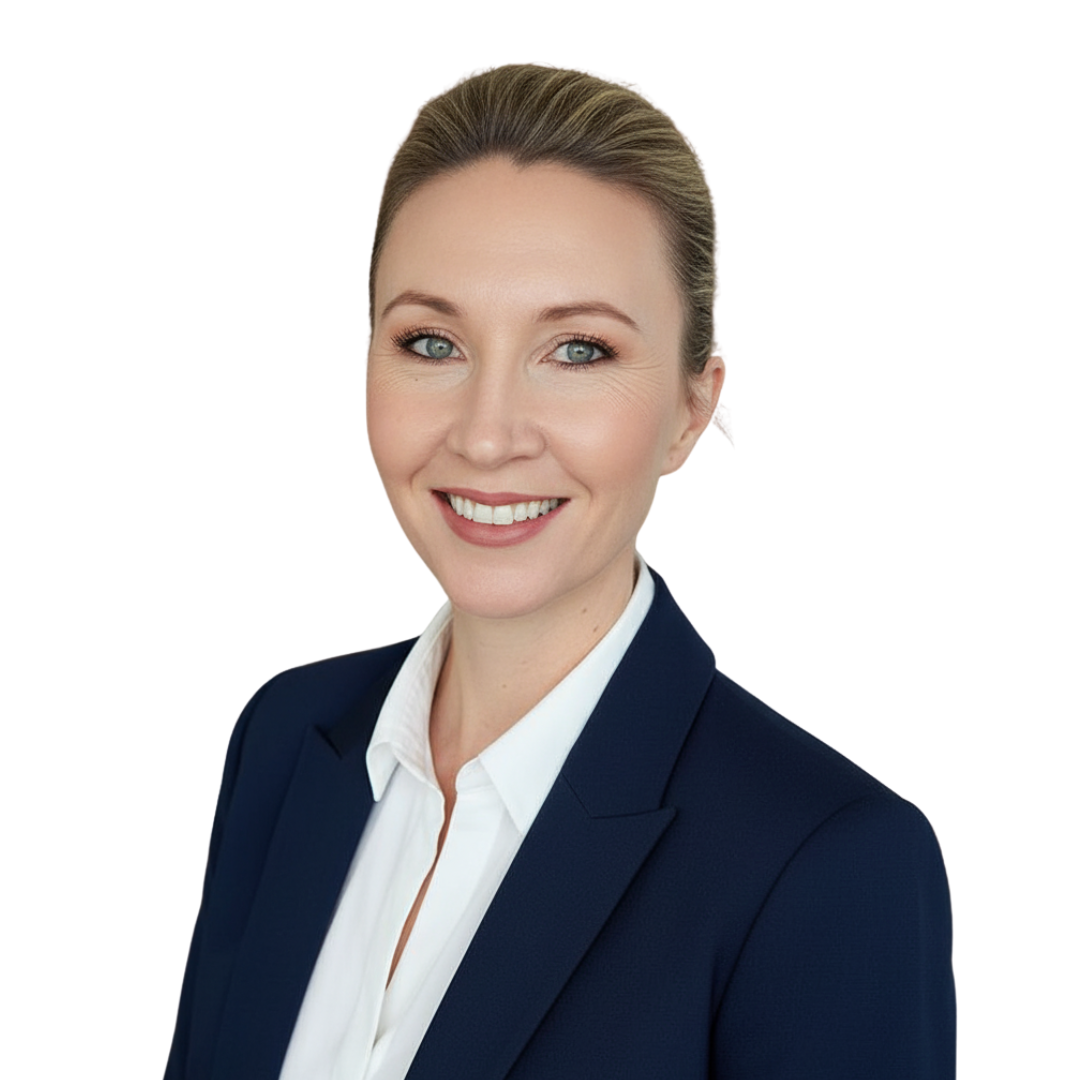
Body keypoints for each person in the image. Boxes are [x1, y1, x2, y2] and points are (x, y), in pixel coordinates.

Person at [164, 65, 955, 1080]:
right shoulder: (286, 740)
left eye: (578, 350)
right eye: (432, 342)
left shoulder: (829, 865)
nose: (487, 435)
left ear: (691, 409)